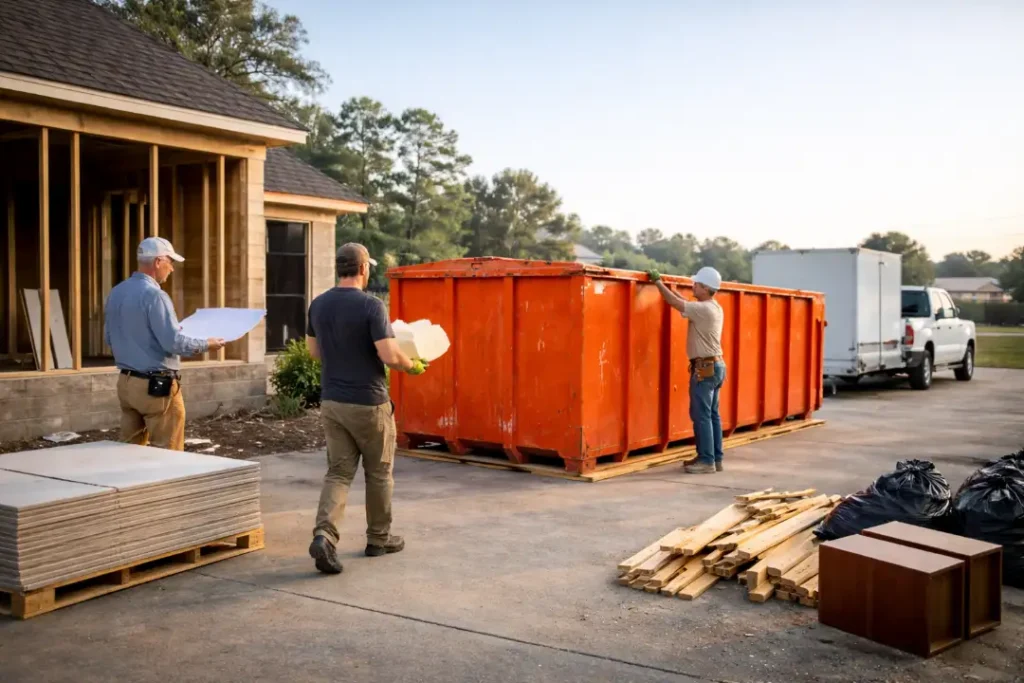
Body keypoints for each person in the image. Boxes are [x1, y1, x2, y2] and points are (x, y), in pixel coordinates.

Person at [305, 242, 428, 575]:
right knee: (379, 473)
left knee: (338, 473)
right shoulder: (372, 306)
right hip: (369, 403)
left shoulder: (318, 305)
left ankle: (324, 536)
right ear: (363, 269)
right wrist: (411, 364)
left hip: (332, 402)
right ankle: (379, 539)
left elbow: (314, 352)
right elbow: (389, 356)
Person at [104, 237, 225, 450]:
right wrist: (207, 344)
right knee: (169, 456)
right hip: (155, 388)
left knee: (129, 452)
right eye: (170, 262)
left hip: (126, 384)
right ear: (158, 262)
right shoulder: (155, 296)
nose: (172, 269)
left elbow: (109, 337)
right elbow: (173, 342)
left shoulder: (117, 292)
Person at [648, 266, 726, 474]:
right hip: (715, 366)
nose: (693, 286)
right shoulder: (714, 307)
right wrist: (667, 286)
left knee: (701, 415)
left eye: (696, 284)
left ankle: (706, 461)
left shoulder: (703, 310)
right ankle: (714, 458)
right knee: (712, 415)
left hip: (705, 367)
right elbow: (683, 302)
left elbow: (675, 303)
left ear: (705, 288)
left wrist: (657, 283)